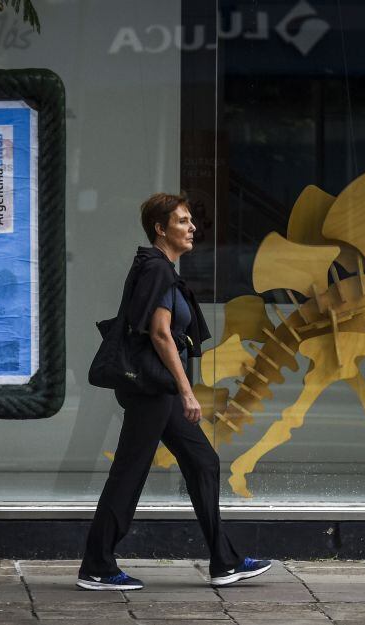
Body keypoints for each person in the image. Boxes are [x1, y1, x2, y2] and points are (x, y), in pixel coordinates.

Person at [77, 192, 272, 591]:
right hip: (153, 390)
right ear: (160, 229)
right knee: (129, 473)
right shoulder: (157, 270)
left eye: (190, 220)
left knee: (203, 462)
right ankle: (97, 566)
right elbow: (160, 334)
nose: (192, 227)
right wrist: (187, 391)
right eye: (182, 221)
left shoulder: (159, 268)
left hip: (158, 390)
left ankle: (224, 561)